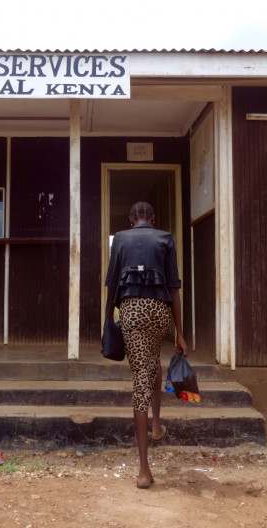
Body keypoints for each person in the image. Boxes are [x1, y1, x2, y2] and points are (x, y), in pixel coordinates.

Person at [104, 201, 188, 489]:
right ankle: (156, 424)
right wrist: (180, 333)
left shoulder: (121, 238)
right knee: (153, 363)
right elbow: (174, 289)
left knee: (140, 379)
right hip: (159, 312)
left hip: (133, 311)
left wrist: (107, 322)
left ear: (131, 220)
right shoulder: (166, 238)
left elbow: (112, 285)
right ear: (152, 219)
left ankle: (143, 470)